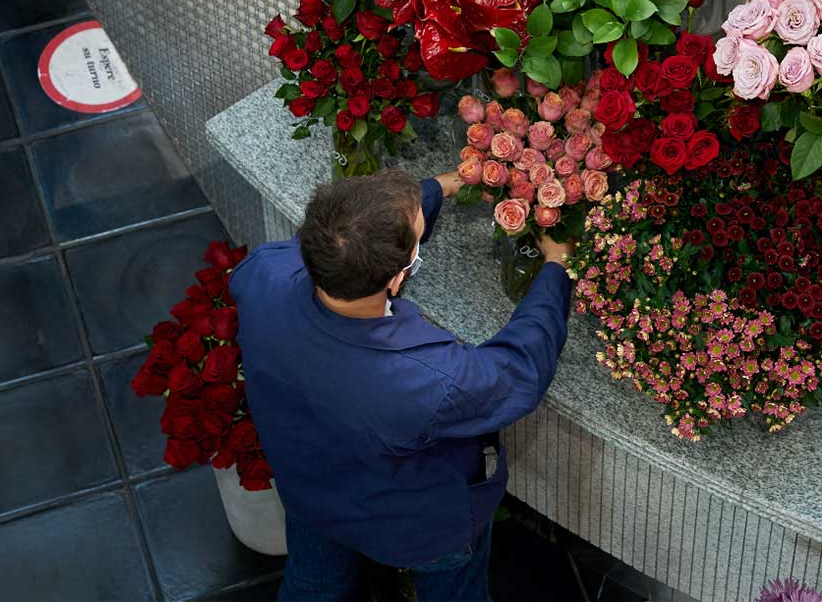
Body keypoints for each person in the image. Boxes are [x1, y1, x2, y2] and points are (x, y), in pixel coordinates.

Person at [230, 168, 573, 602]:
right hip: (419, 527)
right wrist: (555, 269)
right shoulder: (426, 378)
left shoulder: (263, 273)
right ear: (395, 278)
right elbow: (519, 371)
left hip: (312, 493)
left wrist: (441, 187)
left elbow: (350, 234)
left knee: (313, 587)